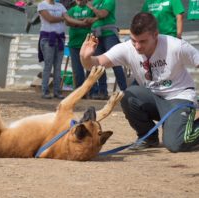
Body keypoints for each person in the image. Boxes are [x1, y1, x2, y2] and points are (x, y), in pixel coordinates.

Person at [80, 12, 199, 152]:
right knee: (128, 95)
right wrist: (85, 57)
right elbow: (96, 63)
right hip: (154, 98)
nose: (137, 46)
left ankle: (176, 129)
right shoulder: (127, 48)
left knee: (175, 143)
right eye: (133, 40)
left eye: (142, 41)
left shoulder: (176, 46)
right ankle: (148, 137)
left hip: (179, 98)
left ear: (155, 35)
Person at [37, 0, 87, 99]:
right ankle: (45, 91)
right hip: (47, 38)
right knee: (48, 65)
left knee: (58, 66)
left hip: (59, 39)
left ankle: (57, 91)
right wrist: (64, 18)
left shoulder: (60, 6)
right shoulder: (42, 5)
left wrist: (81, 23)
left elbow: (68, 19)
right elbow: (50, 19)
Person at [85, 0, 127, 100]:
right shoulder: (95, 2)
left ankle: (125, 91)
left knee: (115, 62)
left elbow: (102, 14)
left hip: (109, 35)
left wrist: (91, 8)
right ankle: (102, 92)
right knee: (98, 64)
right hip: (96, 35)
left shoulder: (109, 1)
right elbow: (93, 17)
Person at [66, 0, 97, 90]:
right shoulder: (72, 10)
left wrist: (76, 23)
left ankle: (92, 91)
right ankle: (80, 91)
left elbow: (95, 19)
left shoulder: (90, 9)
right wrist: (83, 23)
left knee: (90, 68)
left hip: (88, 44)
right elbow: (67, 22)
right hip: (74, 44)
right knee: (77, 70)